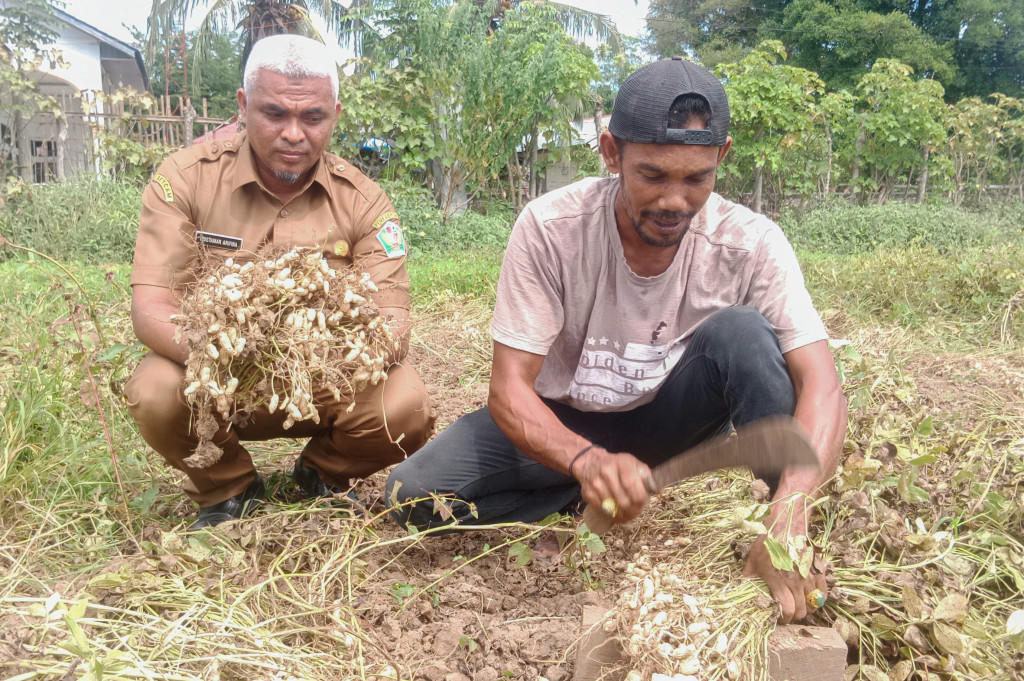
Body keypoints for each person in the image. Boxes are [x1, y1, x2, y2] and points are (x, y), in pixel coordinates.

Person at [386, 57, 847, 624]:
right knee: (412, 495)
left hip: (668, 423)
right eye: (652, 175)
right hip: (563, 424)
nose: (674, 201)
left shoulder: (751, 244)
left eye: (696, 178)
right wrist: (587, 461)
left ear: (721, 159)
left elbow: (822, 385)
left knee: (745, 335)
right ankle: (578, 490)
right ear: (611, 153)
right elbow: (509, 392)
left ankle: (778, 544)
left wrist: (793, 506)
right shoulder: (552, 228)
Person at [125, 34, 435, 530]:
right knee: (155, 389)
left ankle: (322, 474)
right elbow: (153, 305)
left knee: (407, 403)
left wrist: (313, 361)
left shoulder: (365, 201)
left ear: (334, 113)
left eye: (312, 118)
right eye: (274, 114)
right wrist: (237, 354)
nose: (294, 134)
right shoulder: (185, 179)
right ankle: (229, 486)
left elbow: (393, 320)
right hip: (221, 373)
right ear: (244, 106)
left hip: (323, 380)